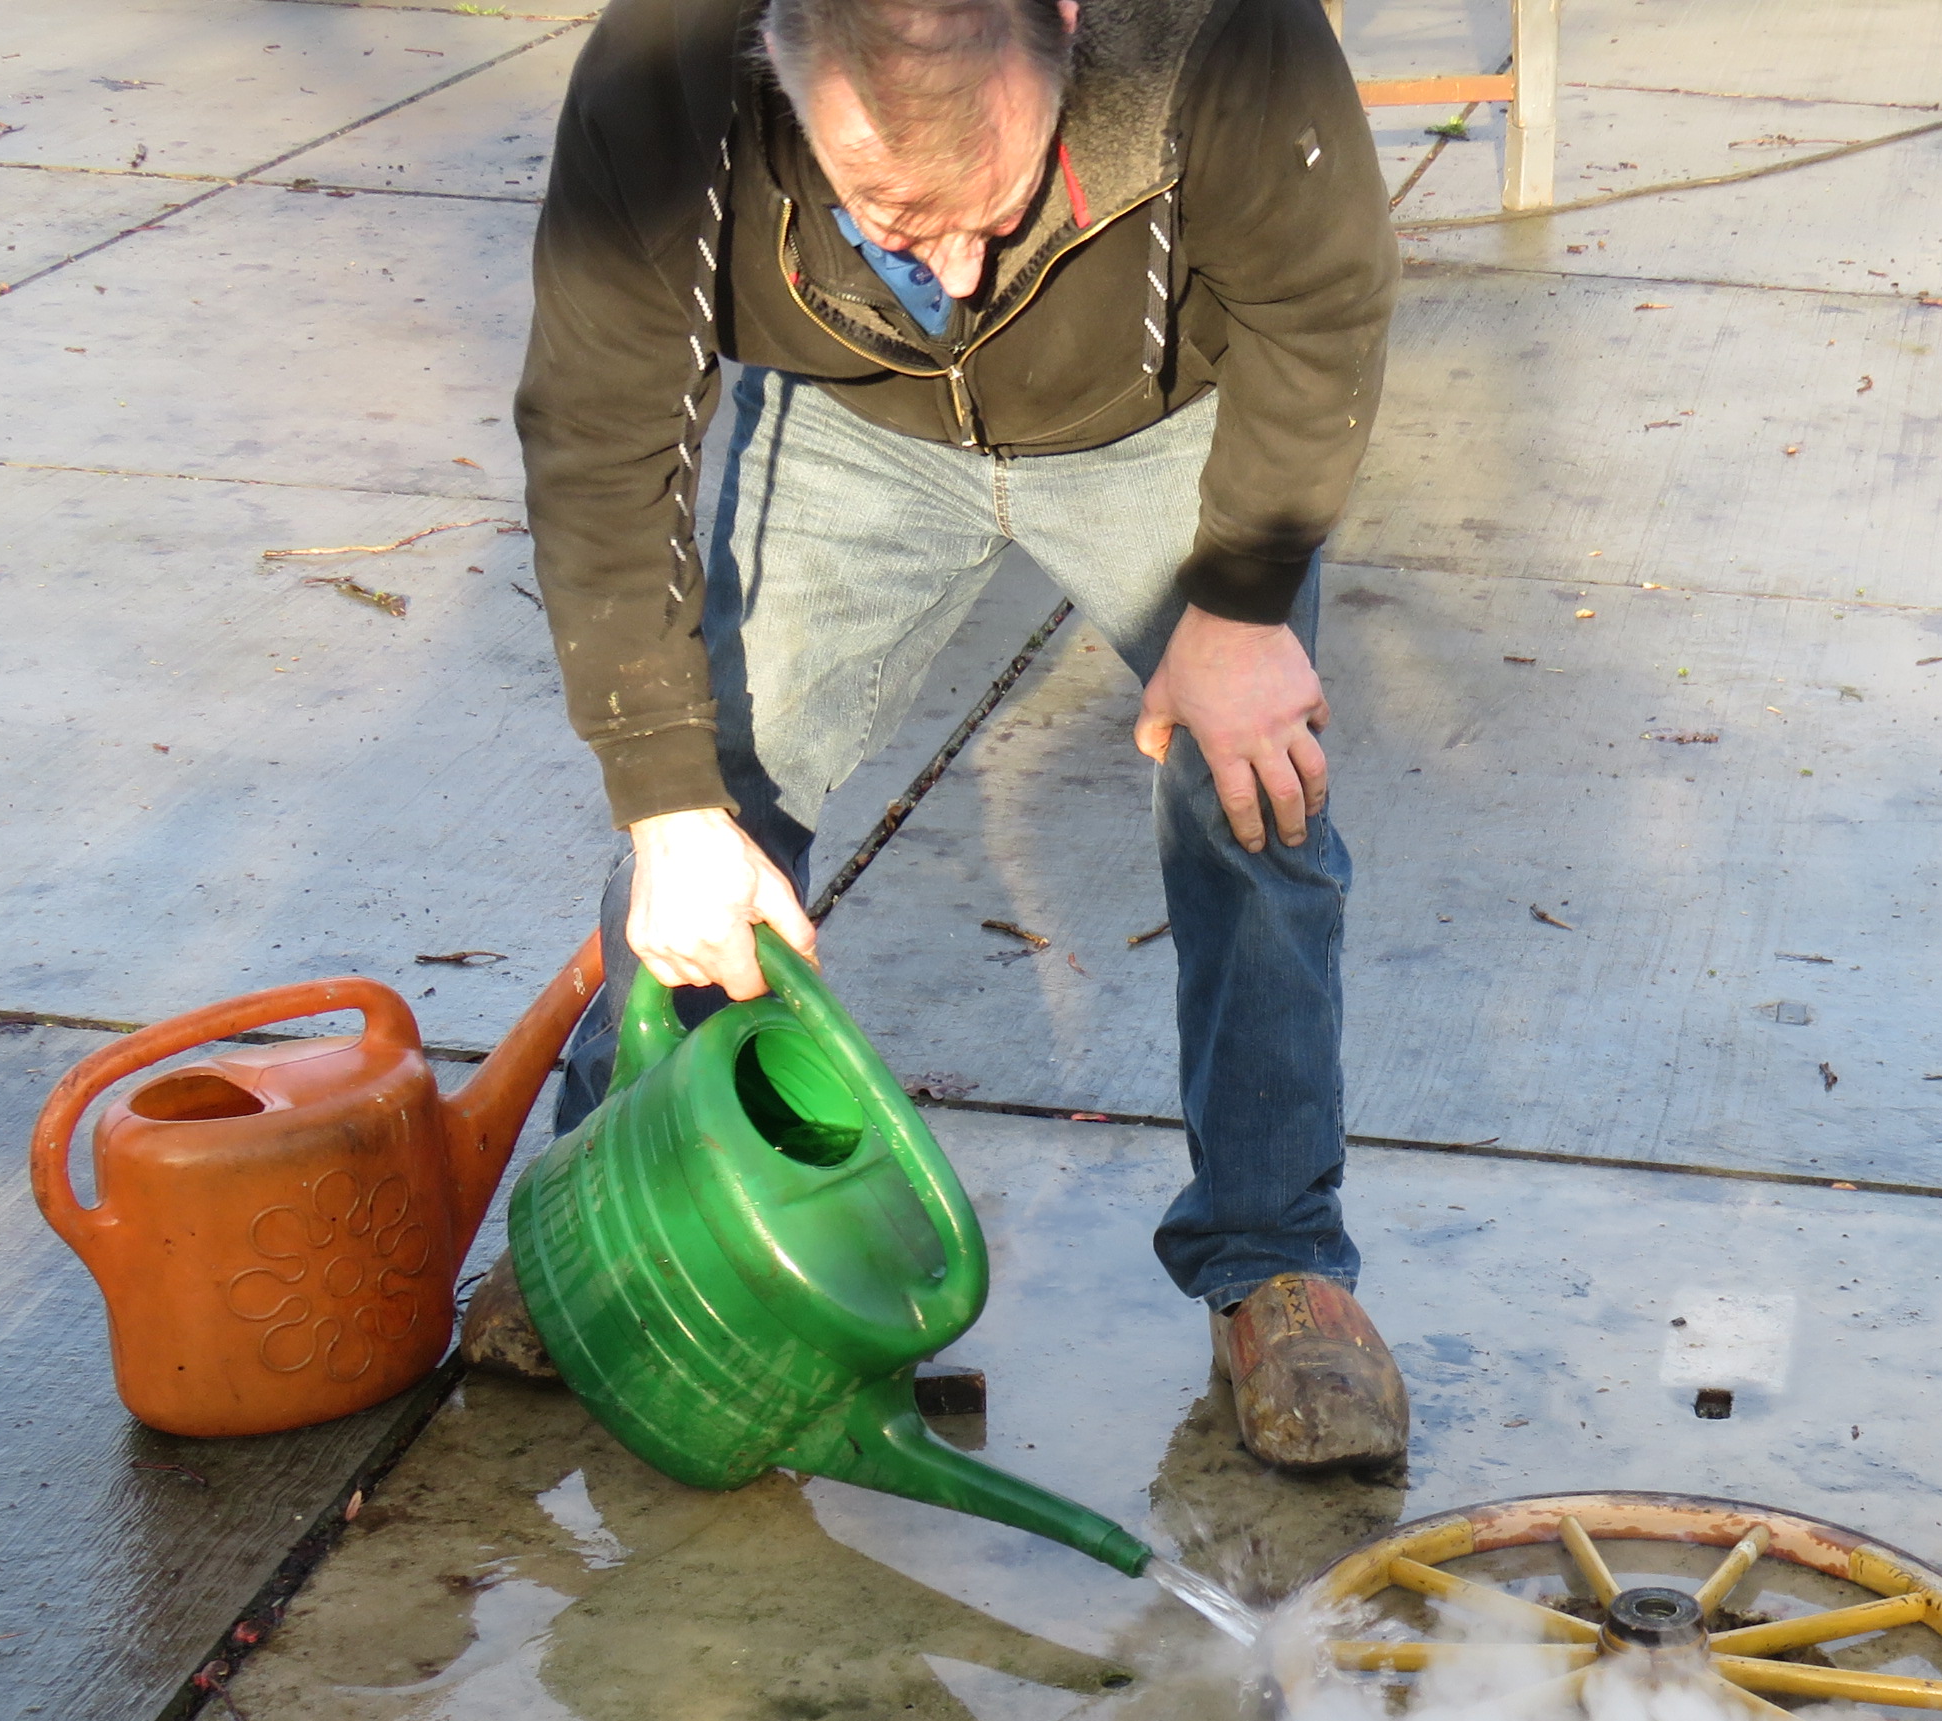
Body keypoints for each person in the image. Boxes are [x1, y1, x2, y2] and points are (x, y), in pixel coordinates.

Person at [467, 0, 1408, 1471]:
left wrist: (1243, 605)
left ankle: (1275, 1262)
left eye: (1000, 204)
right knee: (717, 805)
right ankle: (621, 1202)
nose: (956, 272)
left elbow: (1320, 301)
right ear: (779, 66)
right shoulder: (672, 66)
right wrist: (664, 800)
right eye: (898, 217)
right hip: (857, 427)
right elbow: (600, 427)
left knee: (1257, 792)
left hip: (1165, 425)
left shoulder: (1216, 32)